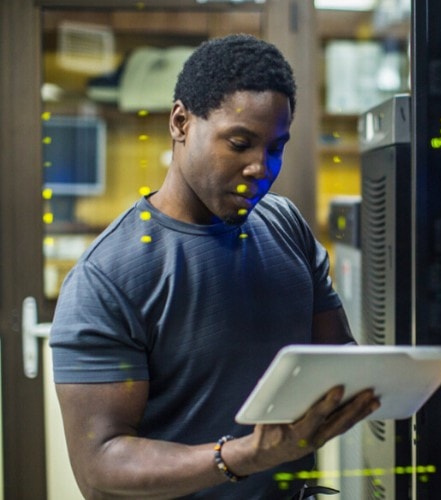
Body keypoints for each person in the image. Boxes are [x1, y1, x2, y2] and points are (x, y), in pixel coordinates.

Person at [49, 34, 380, 499]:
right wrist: (244, 456)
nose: (260, 168)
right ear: (181, 122)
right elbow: (99, 468)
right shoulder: (107, 278)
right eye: (240, 143)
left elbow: (335, 359)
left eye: (275, 147)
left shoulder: (285, 225)